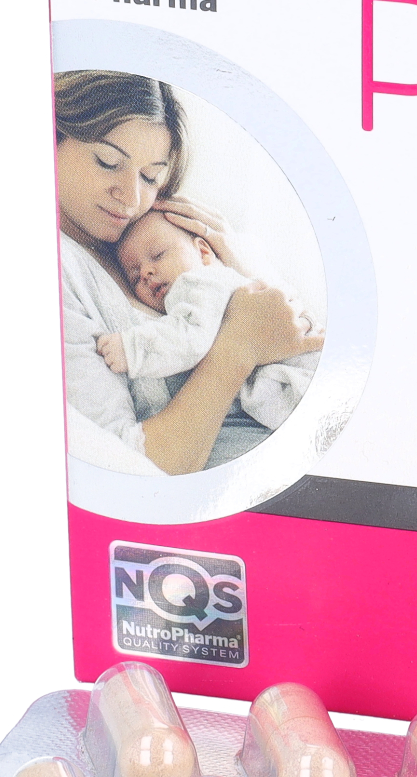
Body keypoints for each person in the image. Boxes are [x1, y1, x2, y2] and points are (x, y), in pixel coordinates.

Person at [55, 69, 322, 475]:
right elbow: (129, 468)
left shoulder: (152, 230)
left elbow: (295, 330)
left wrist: (239, 262)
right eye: (108, 162)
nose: (131, 197)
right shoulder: (61, 272)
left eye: (150, 176)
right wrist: (239, 345)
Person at [97, 208, 317, 431]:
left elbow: (190, 338)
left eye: (158, 255)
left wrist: (131, 348)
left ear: (203, 252)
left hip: (298, 377)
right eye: (135, 277)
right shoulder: (223, 282)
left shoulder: (197, 283)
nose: (146, 272)